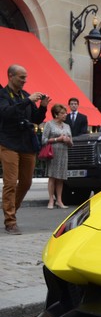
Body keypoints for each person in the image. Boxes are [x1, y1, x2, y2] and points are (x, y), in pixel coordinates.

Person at [0, 64, 49, 235]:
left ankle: (10, 208)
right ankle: (10, 220)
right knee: (11, 182)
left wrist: (42, 106)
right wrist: (28, 101)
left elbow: (35, 118)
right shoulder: (3, 95)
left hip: (27, 144)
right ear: (10, 76)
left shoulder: (26, 96)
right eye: (21, 77)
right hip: (8, 143)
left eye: (25, 77)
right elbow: (6, 113)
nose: (24, 81)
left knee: (26, 182)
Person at [41, 104, 73, 209]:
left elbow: (71, 143)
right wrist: (57, 139)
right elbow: (44, 140)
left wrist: (68, 141)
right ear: (56, 114)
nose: (65, 115)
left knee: (61, 178)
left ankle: (59, 200)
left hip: (64, 153)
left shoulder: (67, 126)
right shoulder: (49, 124)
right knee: (52, 177)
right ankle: (51, 200)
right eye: (62, 113)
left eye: (65, 113)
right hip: (53, 154)